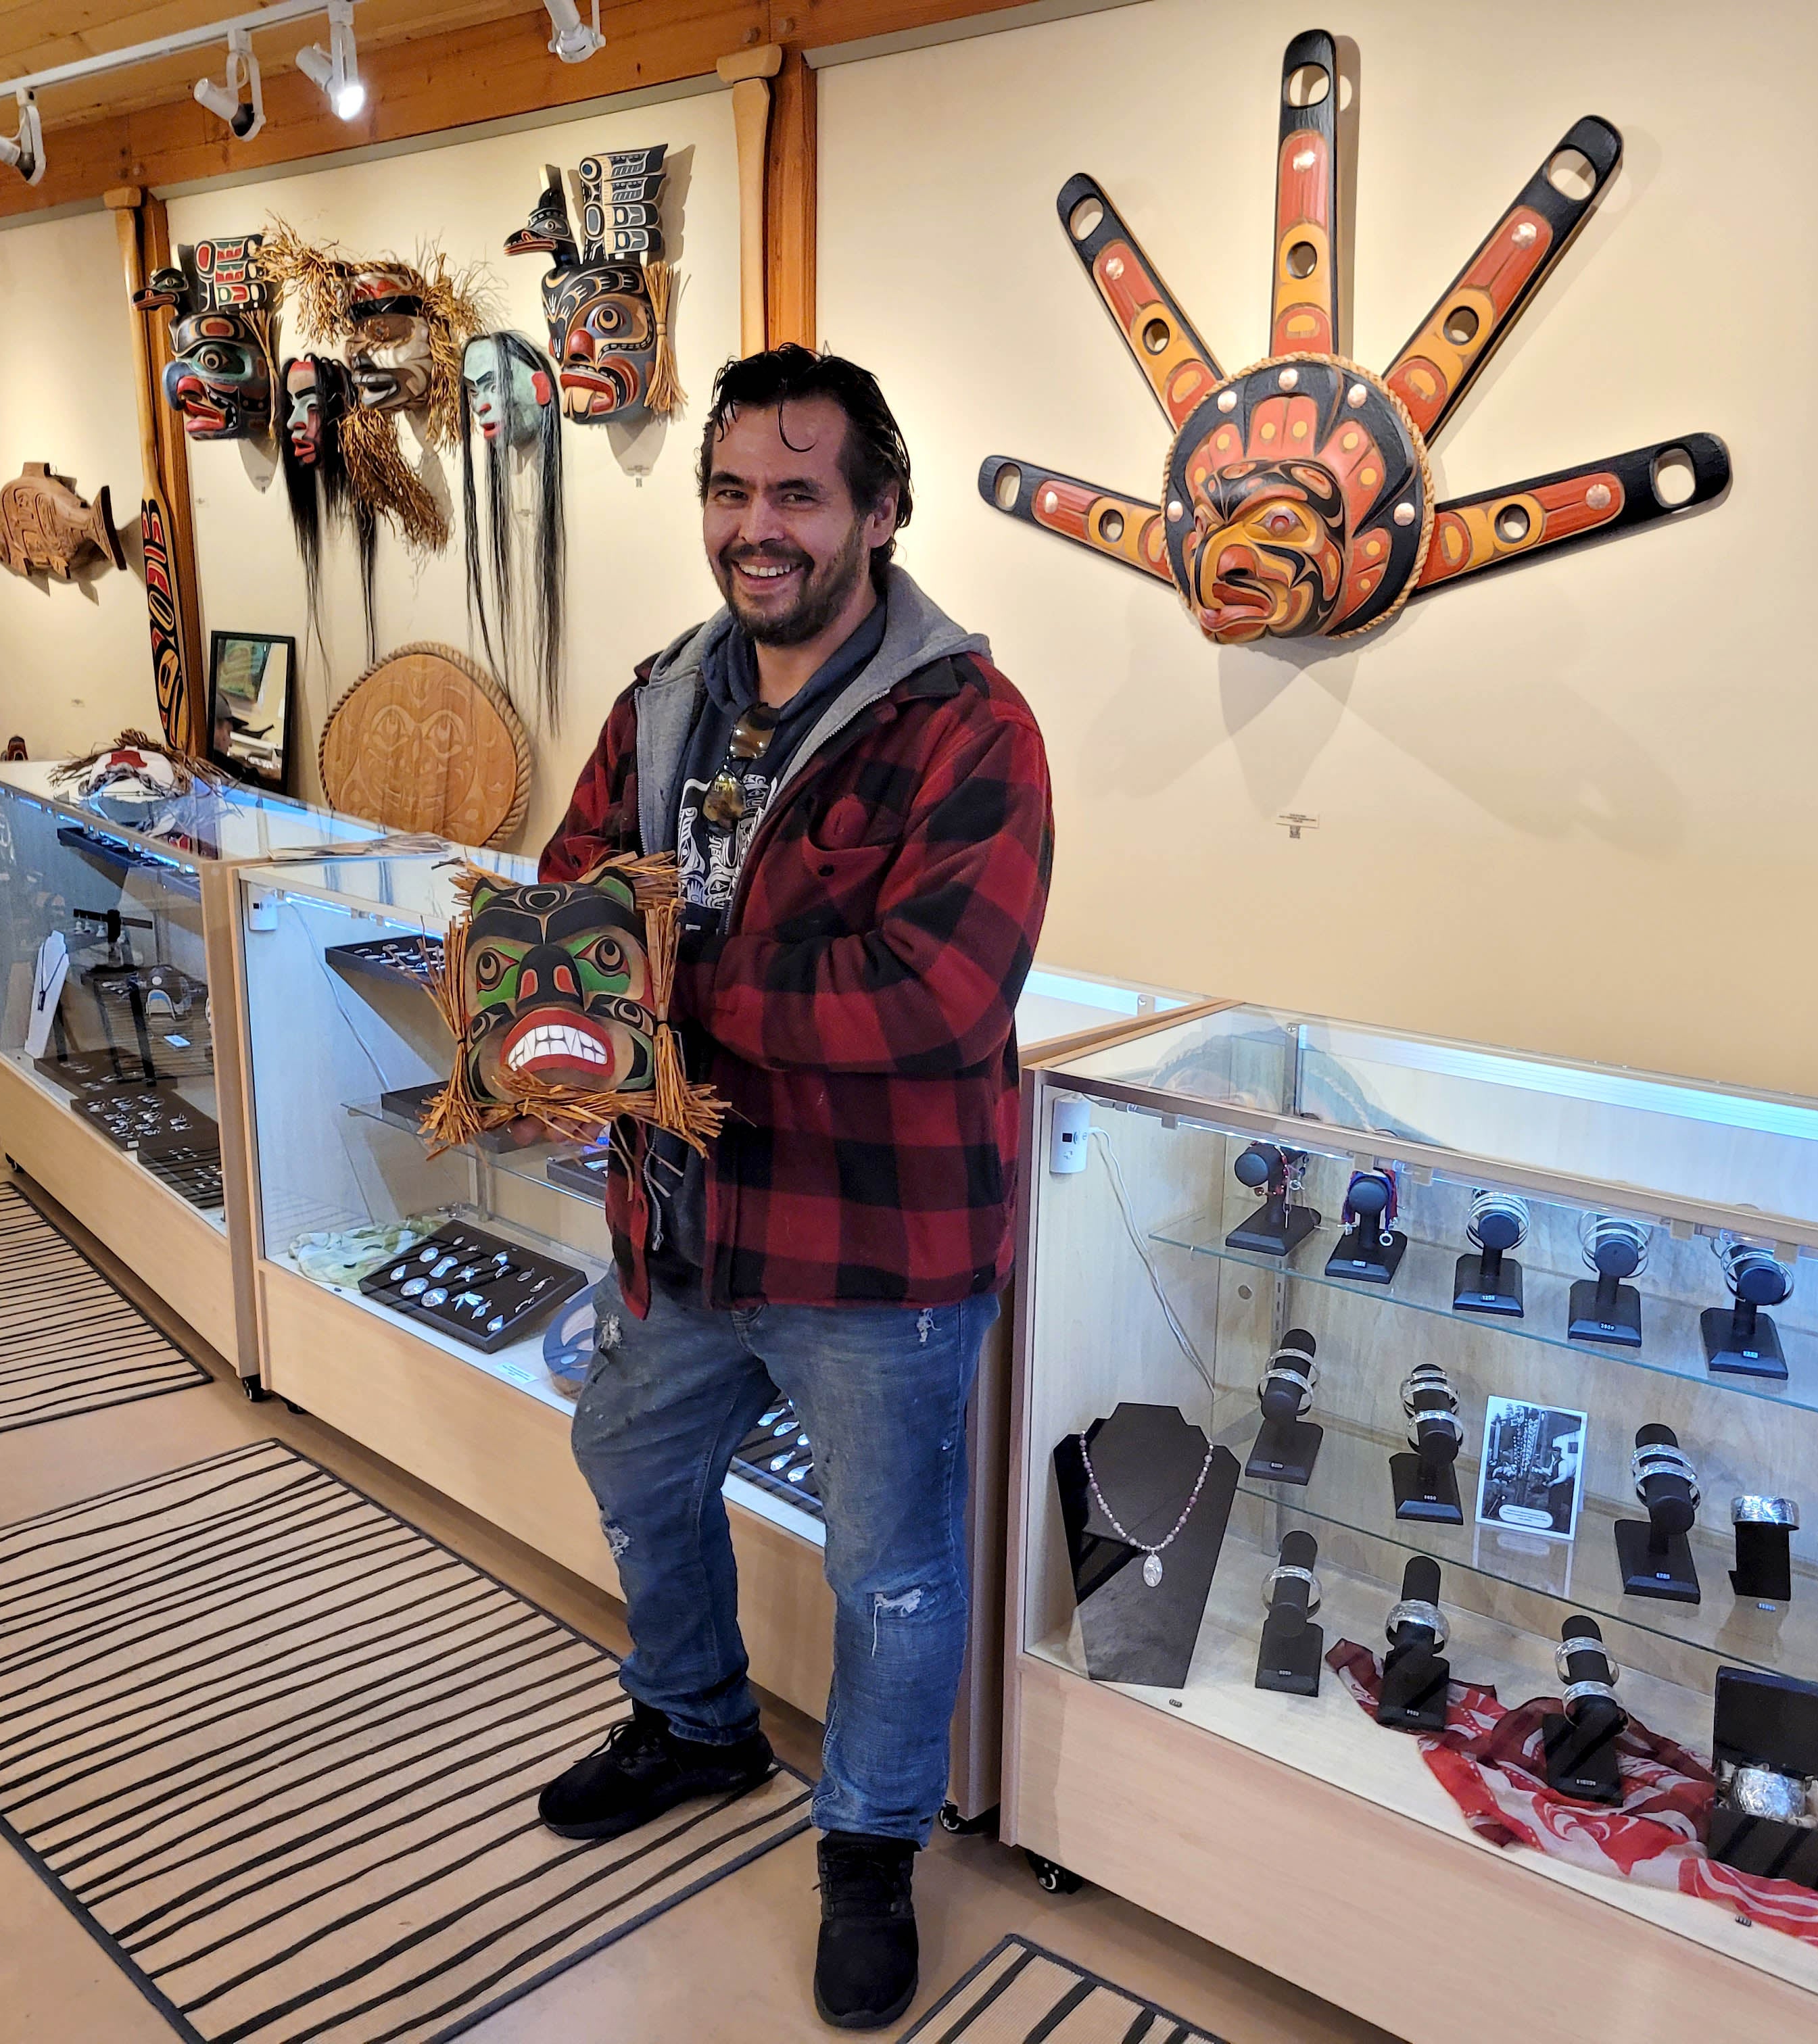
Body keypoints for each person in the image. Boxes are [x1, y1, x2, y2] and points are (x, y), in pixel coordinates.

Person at [533, 345, 1054, 2030]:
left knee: (892, 1575)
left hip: (878, 1252)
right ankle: (695, 1722)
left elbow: (937, 1000)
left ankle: (872, 1849)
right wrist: (561, 1036)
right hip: (684, 1216)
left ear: (879, 514)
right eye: (732, 490)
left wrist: (670, 986)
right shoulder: (665, 694)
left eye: (799, 494)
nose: (759, 528)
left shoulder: (972, 728)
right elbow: (568, 889)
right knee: (628, 1448)